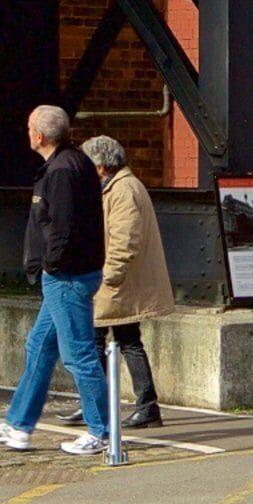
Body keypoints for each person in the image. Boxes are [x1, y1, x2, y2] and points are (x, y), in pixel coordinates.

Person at [0, 103, 113, 459]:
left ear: (39, 134)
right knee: (39, 346)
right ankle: (19, 425)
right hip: (65, 274)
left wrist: (51, 266)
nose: (27, 133)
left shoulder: (62, 171)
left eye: (28, 128)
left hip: (67, 276)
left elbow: (62, 227)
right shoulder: (68, 164)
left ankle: (102, 431)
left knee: (78, 354)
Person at [84, 133, 174, 434]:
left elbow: (124, 241)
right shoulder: (120, 186)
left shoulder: (123, 190)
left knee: (116, 341)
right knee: (123, 340)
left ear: (100, 167)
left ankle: (123, 406)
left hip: (118, 282)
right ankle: (118, 405)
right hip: (119, 281)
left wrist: (108, 277)